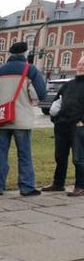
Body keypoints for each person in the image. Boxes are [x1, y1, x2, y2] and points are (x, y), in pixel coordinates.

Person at [0, 41, 47, 196]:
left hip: (2, 119)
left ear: (10, 53)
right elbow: (39, 94)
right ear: (25, 53)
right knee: (24, 155)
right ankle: (26, 187)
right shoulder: (30, 70)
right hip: (22, 120)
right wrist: (29, 101)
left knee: (0, 154)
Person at [44, 55, 84, 196]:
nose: (80, 66)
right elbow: (56, 102)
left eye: (83, 64)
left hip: (78, 127)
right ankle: (58, 183)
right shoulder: (68, 85)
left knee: (78, 158)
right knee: (60, 157)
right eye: (79, 63)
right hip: (62, 126)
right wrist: (55, 119)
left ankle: (80, 186)